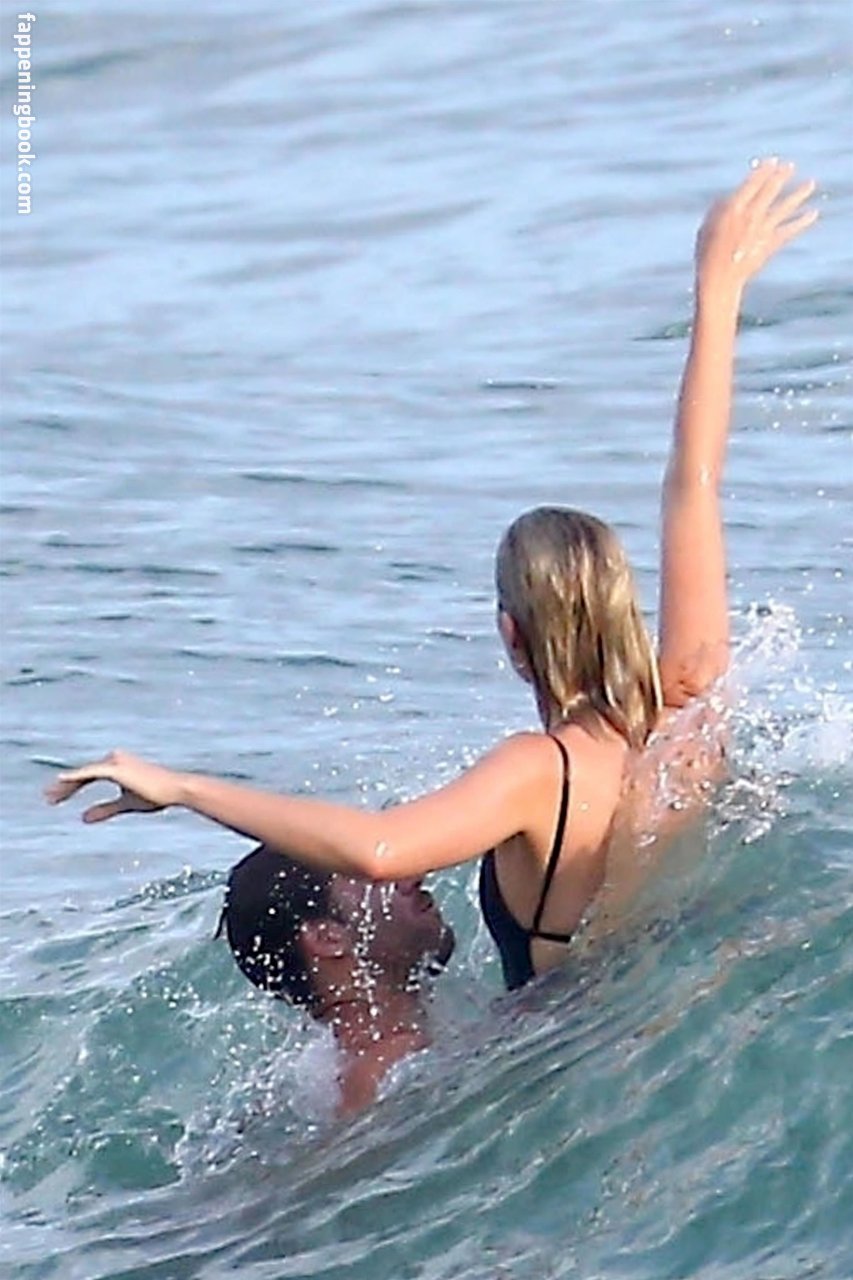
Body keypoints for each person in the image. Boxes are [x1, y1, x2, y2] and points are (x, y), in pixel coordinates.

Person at [46, 161, 819, 992]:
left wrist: (183, 786)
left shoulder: (539, 771)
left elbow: (381, 850)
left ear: (511, 634)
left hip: (577, 1043)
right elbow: (693, 482)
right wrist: (718, 288)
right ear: (623, 605)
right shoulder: (690, 704)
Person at [217, 844, 455, 1112]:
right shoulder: (393, 1064)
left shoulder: (341, 1067)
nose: (413, 876)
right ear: (328, 938)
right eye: (371, 875)